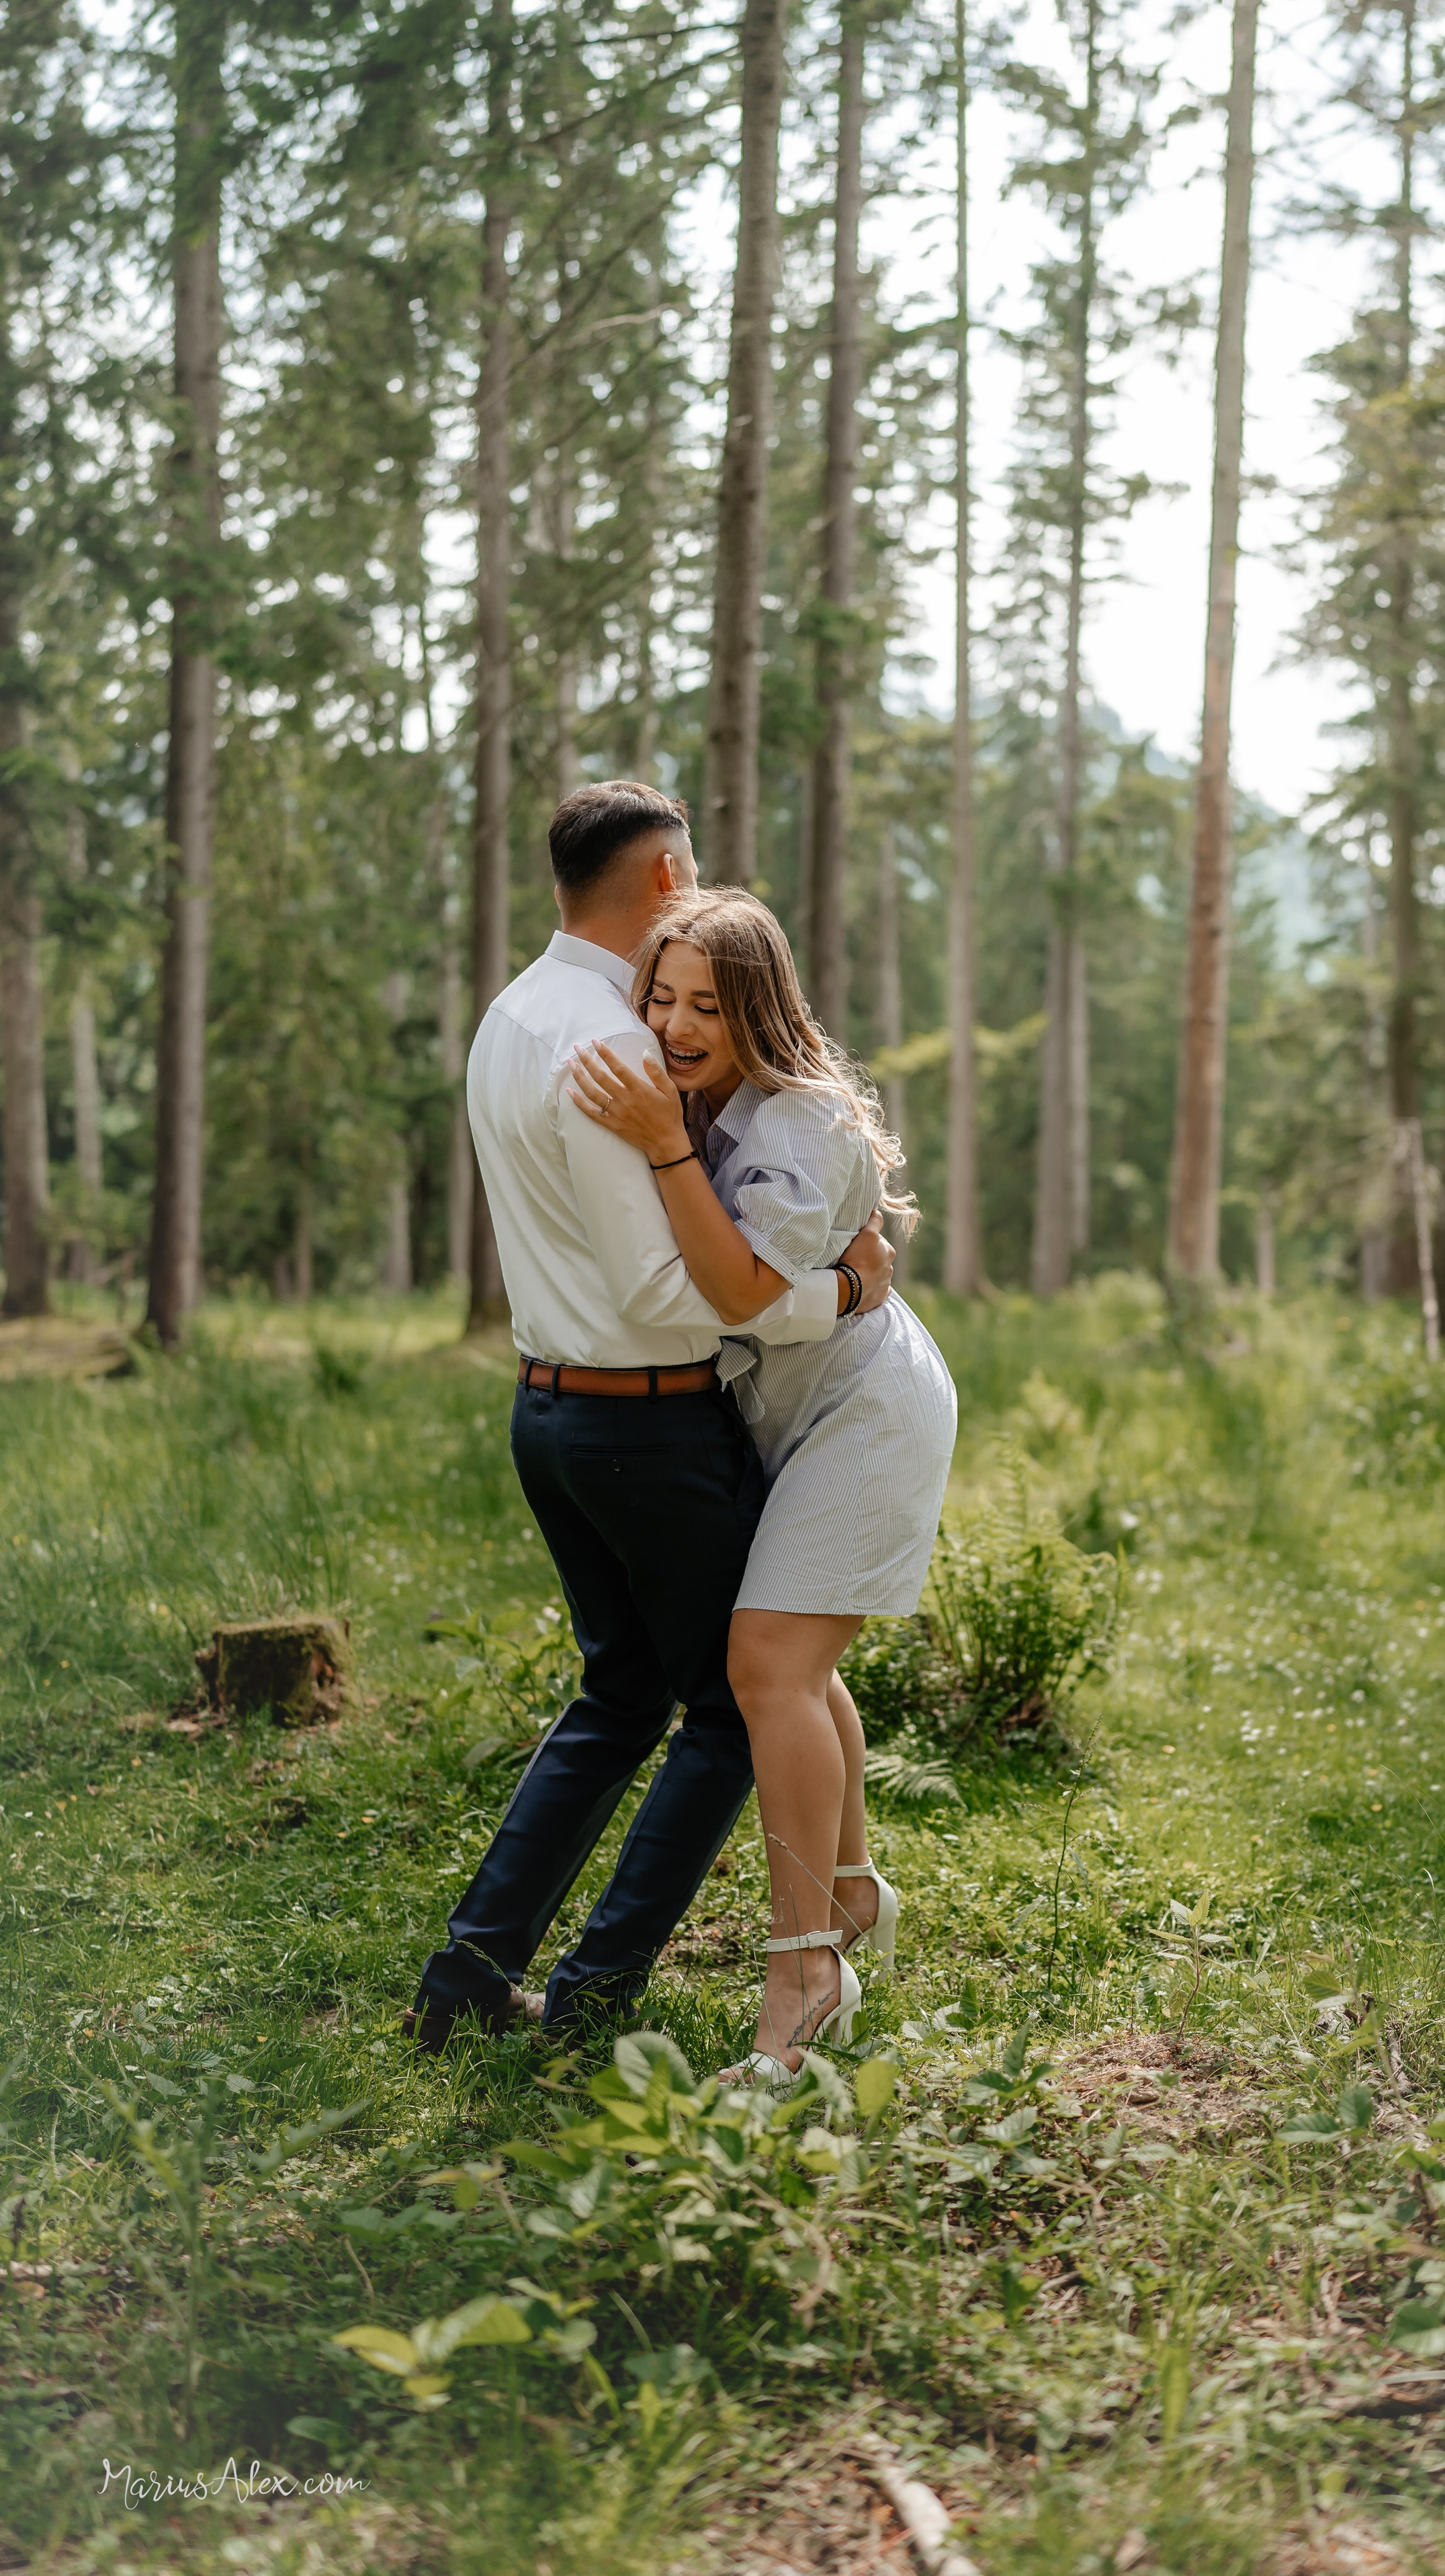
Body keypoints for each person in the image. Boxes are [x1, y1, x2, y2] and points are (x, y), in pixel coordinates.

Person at [406, 783, 895, 2054]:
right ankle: (593, 1996)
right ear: (670, 875)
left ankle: (469, 1977)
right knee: (734, 1707)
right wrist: (833, 1290)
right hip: (645, 1423)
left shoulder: (512, 1017)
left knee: (620, 1699)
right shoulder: (617, 1043)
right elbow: (670, 1291)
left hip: (546, 1412)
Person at [566, 888, 957, 2083]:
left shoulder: (805, 1123)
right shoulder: (682, 1089)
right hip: (781, 1411)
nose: (678, 1024)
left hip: (863, 1412)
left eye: (707, 1005)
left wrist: (669, 1145)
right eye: (662, 997)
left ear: (760, 1011)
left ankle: (803, 1972)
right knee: (795, 1664)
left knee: (766, 1668)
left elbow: (737, 1290)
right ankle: (847, 1896)